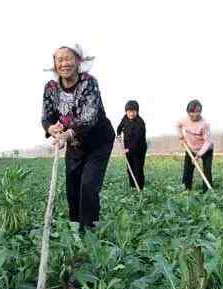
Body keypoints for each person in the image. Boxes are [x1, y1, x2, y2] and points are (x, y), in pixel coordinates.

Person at [42, 43, 115, 229]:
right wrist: (51, 128)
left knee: (88, 184)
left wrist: (67, 134)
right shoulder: (51, 88)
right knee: (73, 187)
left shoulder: (88, 82)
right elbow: (47, 116)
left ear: (78, 61)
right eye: (59, 59)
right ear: (55, 64)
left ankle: (90, 228)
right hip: (75, 144)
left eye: (68, 58)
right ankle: (75, 227)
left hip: (98, 141)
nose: (64, 63)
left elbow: (89, 116)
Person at [176, 99, 213, 192]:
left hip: (206, 149)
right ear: (188, 113)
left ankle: (207, 191)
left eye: (196, 114)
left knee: (207, 171)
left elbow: (208, 142)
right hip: (191, 148)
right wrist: (181, 137)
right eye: (191, 114)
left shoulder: (204, 124)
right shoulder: (184, 120)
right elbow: (178, 125)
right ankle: (186, 189)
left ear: (200, 112)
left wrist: (199, 155)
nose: (193, 116)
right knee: (187, 170)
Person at [116, 100, 147, 190]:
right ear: (126, 112)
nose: (131, 114)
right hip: (127, 147)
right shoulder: (125, 118)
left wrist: (128, 149)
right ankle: (132, 187)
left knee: (137, 169)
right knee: (129, 169)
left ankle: (140, 188)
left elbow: (137, 140)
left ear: (137, 111)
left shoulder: (140, 123)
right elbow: (119, 127)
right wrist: (118, 135)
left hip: (139, 149)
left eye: (133, 111)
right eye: (129, 111)